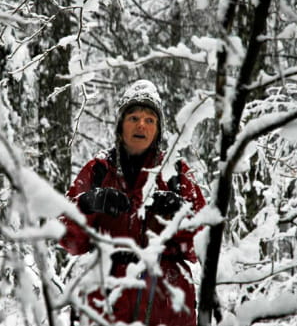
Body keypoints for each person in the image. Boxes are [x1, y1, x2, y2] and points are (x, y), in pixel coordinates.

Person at [59, 79, 206, 326]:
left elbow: (203, 246)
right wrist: (87, 204)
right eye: (133, 117)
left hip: (167, 305)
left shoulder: (177, 174)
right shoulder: (97, 171)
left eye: (150, 120)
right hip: (106, 301)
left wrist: (181, 215)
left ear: (158, 130)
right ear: (120, 126)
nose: (141, 125)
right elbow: (68, 240)